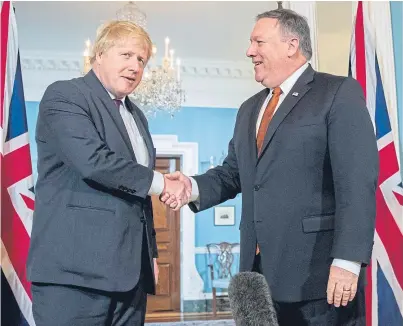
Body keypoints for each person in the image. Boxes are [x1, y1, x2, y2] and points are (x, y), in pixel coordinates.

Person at [161, 9, 379, 326]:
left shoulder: (336, 93)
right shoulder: (249, 109)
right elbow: (232, 174)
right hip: (257, 276)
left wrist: (348, 259)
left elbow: (357, 182)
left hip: (318, 275)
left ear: (291, 45)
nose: (250, 51)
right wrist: (190, 187)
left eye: (258, 41)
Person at [26, 20, 188, 326]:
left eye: (141, 60)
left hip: (129, 279)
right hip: (74, 278)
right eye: (126, 55)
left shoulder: (136, 115)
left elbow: (137, 194)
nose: (135, 66)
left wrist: (149, 253)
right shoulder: (65, 95)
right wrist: (163, 182)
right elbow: (94, 161)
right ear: (98, 54)